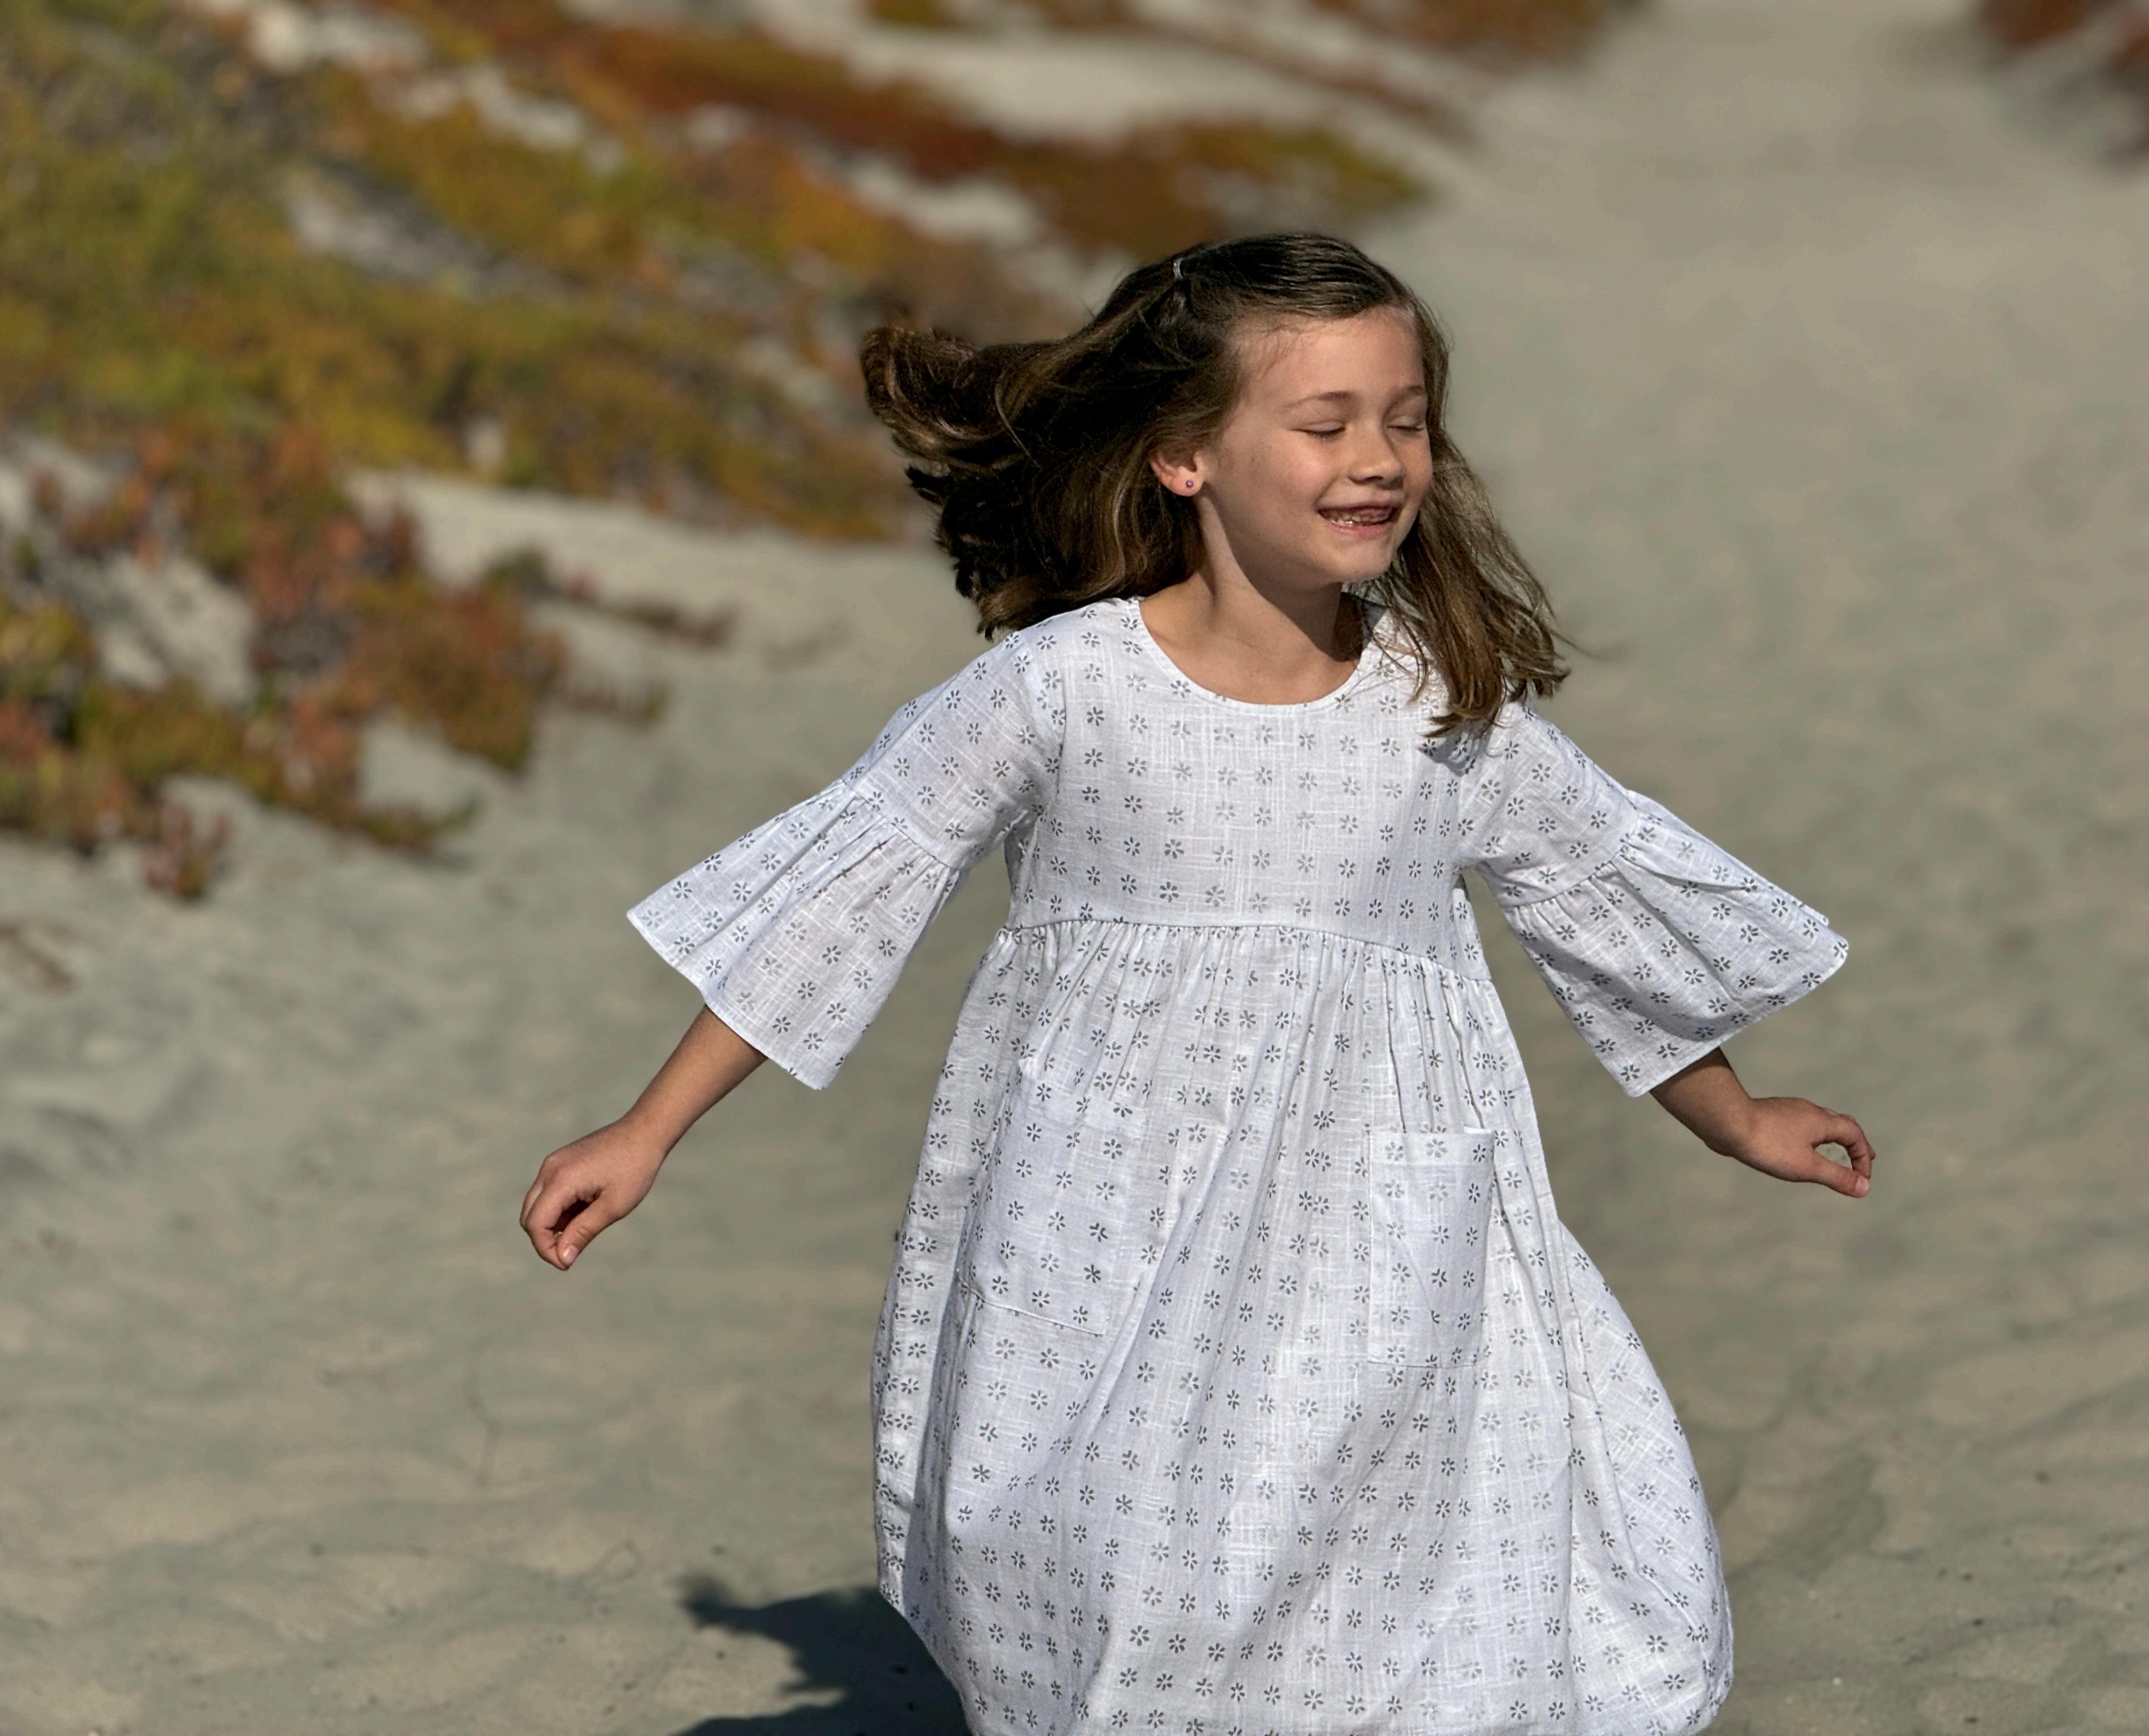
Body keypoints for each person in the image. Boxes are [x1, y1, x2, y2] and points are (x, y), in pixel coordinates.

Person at [519, 232, 1872, 1735]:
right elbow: (855, 890)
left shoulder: (1445, 709)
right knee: (1123, 1575)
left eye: (1405, 420)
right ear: (1184, 457)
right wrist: (647, 1130)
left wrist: (1736, 1116)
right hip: (1104, 1233)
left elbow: (1593, 914)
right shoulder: (1063, 688)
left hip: (1390, 1235)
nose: (1378, 460)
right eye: (1325, 423)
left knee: (1389, 1577)